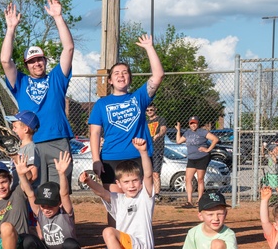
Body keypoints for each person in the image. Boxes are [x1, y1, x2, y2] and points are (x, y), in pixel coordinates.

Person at [0, 0, 75, 186]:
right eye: (32, 61)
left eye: (40, 59)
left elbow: (68, 48)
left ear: (45, 61)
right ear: (26, 65)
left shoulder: (56, 78)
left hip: (58, 140)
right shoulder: (21, 81)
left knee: (60, 192)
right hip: (30, 143)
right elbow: (5, 61)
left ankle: (63, 218)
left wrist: (58, 17)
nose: (37, 63)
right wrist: (10, 30)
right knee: (34, 192)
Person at [88, 35, 163, 187]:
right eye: (116, 73)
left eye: (125, 72)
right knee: (114, 206)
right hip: (111, 157)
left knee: (139, 205)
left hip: (138, 156)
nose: (121, 75)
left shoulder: (139, 97)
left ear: (129, 78)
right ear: (109, 80)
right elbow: (94, 133)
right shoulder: (101, 104)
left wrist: (149, 48)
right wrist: (96, 160)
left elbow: (158, 75)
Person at [82, 138, 156, 249]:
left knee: (108, 231)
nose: (131, 185)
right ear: (119, 183)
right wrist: (88, 181)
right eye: (127, 182)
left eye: (135, 180)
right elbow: (102, 192)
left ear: (141, 182)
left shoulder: (145, 197)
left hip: (140, 247)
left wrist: (143, 152)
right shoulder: (118, 199)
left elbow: (148, 175)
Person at [14, 151, 83, 249]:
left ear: (59, 204)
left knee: (71, 244)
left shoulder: (65, 213)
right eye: (43, 205)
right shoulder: (40, 212)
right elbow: (30, 194)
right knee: (28, 239)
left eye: (51, 205)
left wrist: (62, 174)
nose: (46, 209)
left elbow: (63, 193)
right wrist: (21, 175)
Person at [174, 116, 219, 208]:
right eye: (191, 123)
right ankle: (189, 201)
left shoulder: (202, 132)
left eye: (195, 123)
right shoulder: (187, 133)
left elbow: (215, 139)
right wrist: (178, 130)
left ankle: (200, 200)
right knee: (188, 179)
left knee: (200, 179)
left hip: (202, 157)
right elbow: (178, 141)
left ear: (197, 124)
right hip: (191, 158)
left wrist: (208, 150)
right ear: (189, 124)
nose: (193, 125)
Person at [8, 110, 39, 182]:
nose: (13, 129)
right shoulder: (17, 146)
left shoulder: (31, 148)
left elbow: (33, 175)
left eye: (15, 127)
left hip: (24, 189)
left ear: (25, 129)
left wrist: (24, 188)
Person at [145, 104, 167, 196]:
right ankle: (148, 193)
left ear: (155, 109)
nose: (149, 112)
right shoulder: (145, 122)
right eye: (147, 110)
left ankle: (157, 194)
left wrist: (158, 135)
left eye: (151, 110)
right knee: (147, 173)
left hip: (157, 149)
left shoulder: (161, 119)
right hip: (147, 149)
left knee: (156, 173)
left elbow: (163, 129)